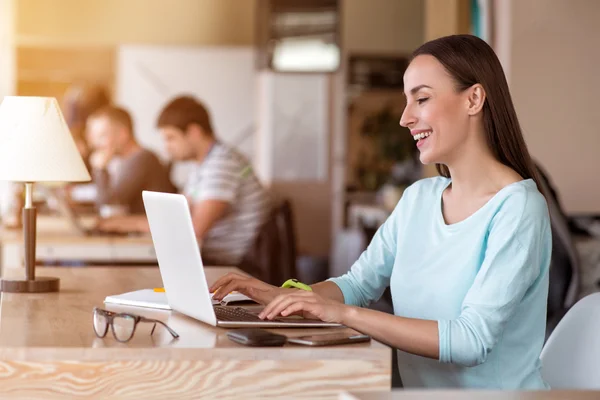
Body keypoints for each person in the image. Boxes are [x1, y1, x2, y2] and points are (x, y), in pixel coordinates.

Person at [210, 34, 552, 389]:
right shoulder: (419, 198)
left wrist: (343, 315)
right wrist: (282, 295)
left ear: (474, 99)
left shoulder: (518, 209)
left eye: (421, 98)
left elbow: (472, 340)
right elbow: (358, 284)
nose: (405, 118)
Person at [87, 105, 176, 215]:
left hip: (146, 230)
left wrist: (100, 169)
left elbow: (109, 203)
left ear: (123, 134)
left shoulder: (142, 159)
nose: (97, 144)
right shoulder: (125, 160)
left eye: (102, 136)